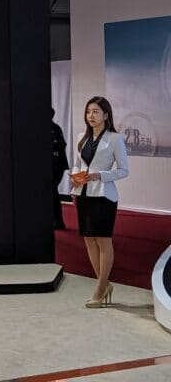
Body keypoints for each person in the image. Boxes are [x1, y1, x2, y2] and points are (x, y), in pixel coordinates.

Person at [70, 96, 129, 309]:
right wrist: (75, 179)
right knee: (89, 239)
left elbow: (124, 170)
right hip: (83, 194)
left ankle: (100, 288)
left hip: (104, 195)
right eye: (88, 112)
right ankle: (104, 285)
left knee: (103, 240)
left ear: (106, 115)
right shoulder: (81, 137)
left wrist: (100, 175)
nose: (91, 116)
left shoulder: (115, 139)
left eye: (95, 112)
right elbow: (77, 164)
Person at [51, 108, 69, 230]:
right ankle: (56, 220)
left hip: (56, 166)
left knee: (52, 192)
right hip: (54, 165)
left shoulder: (54, 128)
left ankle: (58, 221)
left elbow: (60, 144)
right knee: (52, 193)